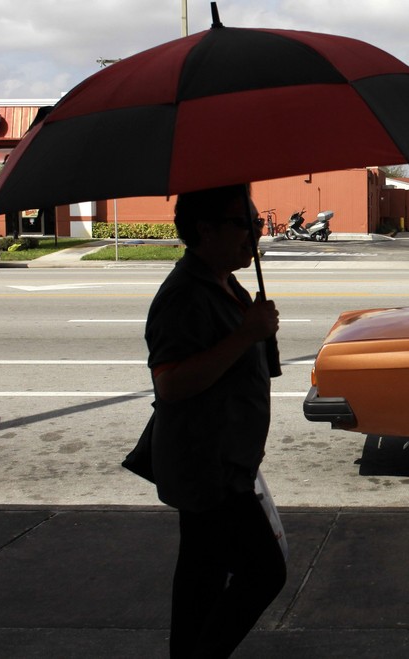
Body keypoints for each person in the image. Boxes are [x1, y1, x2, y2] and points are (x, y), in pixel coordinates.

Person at [145, 184, 285, 658]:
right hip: (208, 468)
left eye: (257, 224)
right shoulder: (185, 295)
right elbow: (172, 384)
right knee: (264, 571)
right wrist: (247, 333)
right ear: (204, 230)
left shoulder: (225, 281)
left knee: (200, 581)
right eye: (243, 224)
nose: (254, 235)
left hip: (226, 460)